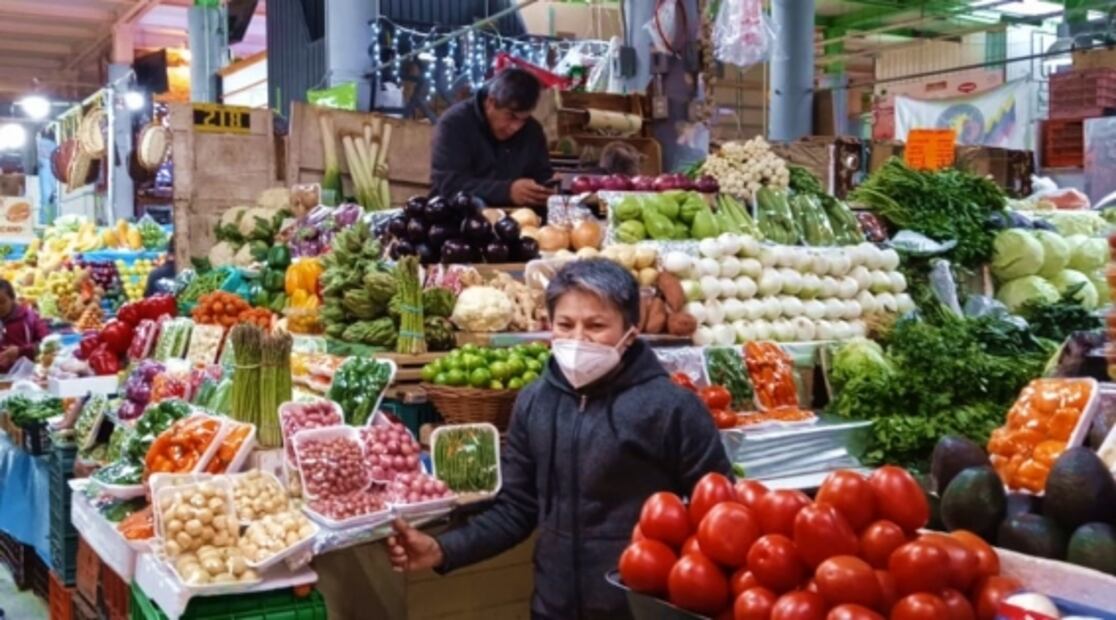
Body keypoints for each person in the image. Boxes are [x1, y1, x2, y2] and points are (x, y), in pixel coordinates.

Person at [388, 259, 731, 619]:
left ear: (631, 331)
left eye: (596, 326)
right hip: (552, 607)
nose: (578, 339)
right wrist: (442, 549)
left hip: (637, 608)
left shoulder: (672, 408)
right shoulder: (535, 400)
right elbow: (516, 508)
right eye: (565, 325)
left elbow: (718, 517)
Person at [430, 68, 555, 207]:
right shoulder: (454, 123)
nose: (516, 127)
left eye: (523, 119)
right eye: (511, 116)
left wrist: (547, 187)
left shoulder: (532, 130)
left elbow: (542, 175)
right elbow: (450, 184)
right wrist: (507, 191)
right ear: (490, 102)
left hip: (518, 221)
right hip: (455, 217)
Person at [0, 279, 48, 373]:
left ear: (12, 299)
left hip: (26, 376)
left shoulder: (29, 318)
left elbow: (48, 346)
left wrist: (20, 351)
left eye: (2, 302)